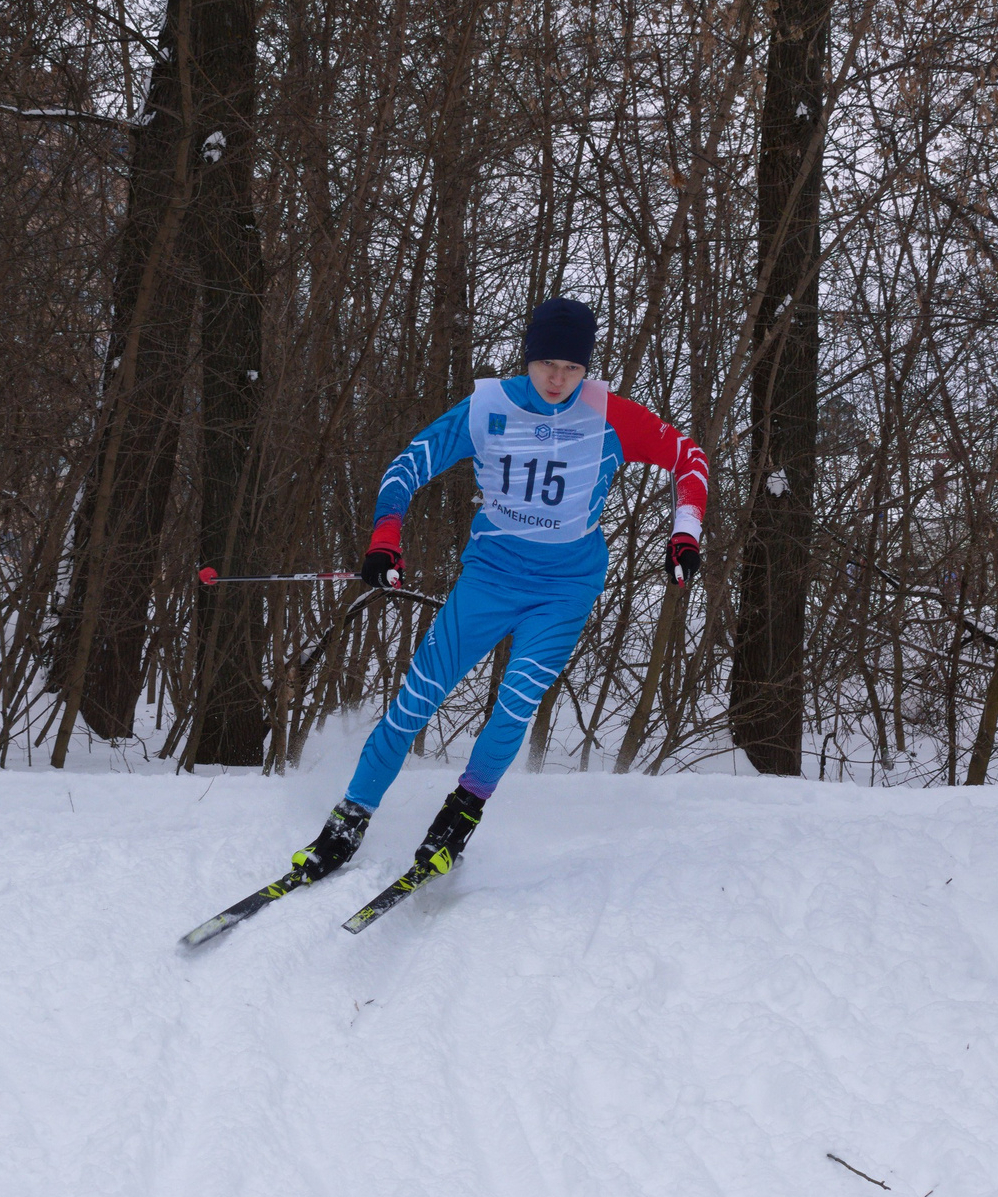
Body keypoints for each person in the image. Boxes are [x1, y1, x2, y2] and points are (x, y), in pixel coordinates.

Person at [290, 296, 707, 882]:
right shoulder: (488, 407)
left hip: (565, 589)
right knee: (417, 698)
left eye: (572, 368)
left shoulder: (609, 413)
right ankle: (349, 817)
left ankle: (459, 818)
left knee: (513, 707)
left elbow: (690, 460)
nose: (558, 379)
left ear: (587, 369)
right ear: (528, 358)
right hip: (489, 580)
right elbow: (408, 464)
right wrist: (386, 533)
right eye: (547, 366)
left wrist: (683, 533)